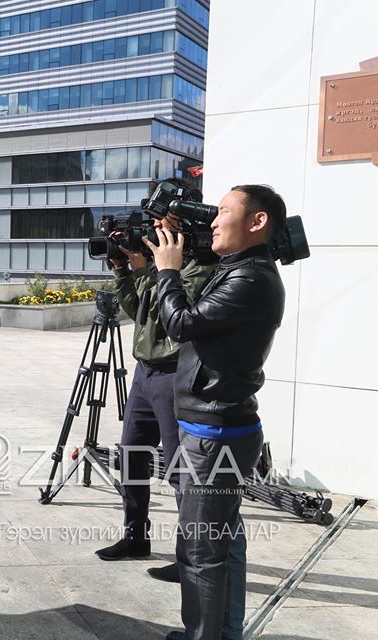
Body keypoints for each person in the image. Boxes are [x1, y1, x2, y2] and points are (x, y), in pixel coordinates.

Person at [143, 185, 287, 640]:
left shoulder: (251, 279)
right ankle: (223, 633)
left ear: (257, 222)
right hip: (212, 427)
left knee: (200, 551)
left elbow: (181, 323)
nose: (213, 220)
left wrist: (167, 271)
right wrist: (175, 242)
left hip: (214, 435)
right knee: (223, 542)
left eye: (224, 211)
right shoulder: (240, 269)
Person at [96, 211, 214, 570]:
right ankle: (135, 536)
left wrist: (149, 271)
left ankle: (189, 557)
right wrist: (122, 270)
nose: (156, 228)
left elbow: (170, 319)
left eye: (164, 222)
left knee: (179, 468)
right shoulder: (160, 264)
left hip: (174, 374)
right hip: (144, 373)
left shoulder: (198, 266)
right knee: (131, 455)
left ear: (184, 223)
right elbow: (139, 311)